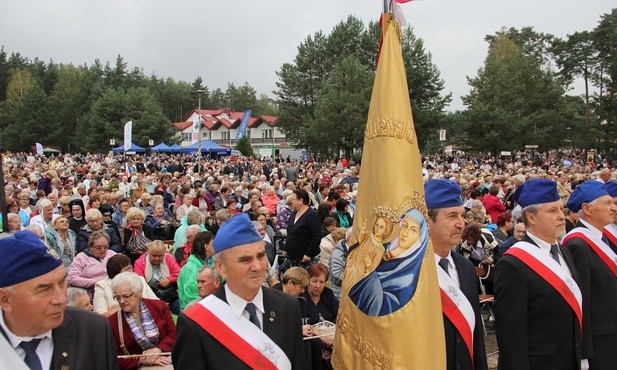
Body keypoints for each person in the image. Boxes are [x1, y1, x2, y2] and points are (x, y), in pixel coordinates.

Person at [172, 213, 306, 369]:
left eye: (261, 256)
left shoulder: (288, 306)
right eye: (245, 259)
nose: (257, 267)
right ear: (220, 267)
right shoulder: (195, 323)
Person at [494, 179, 584, 370]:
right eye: (553, 211)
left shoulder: (564, 252)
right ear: (531, 218)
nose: (561, 216)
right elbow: (511, 336)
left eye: (561, 209)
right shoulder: (513, 264)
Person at [0, 231, 120, 370]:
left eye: (62, 283)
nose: (61, 299)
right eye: (44, 289)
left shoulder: (93, 330)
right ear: (5, 299)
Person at [425, 179, 488, 370]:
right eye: (452, 216)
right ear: (428, 222)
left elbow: (475, 333)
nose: (462, 224)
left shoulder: (465, 267)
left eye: (462, 215)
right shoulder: (411, 272)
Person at [563, 180, 617, 369]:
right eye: (607, 203)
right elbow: (581, 300)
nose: (613, 208)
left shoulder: (601, 238)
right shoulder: (578, 244)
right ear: (587, 208)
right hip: (599, 342)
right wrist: (584, 352)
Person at [348, 207, 429, 316]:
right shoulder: (382, 246)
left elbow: (388, 309)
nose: (405, 233)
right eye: (404, 226)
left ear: (421, 238)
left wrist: (370, 274)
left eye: (413, 230)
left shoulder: (409, 275)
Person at [107, 272, 176, 370]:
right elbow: (114, 358)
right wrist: (142, 360)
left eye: (126, 296)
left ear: (139, 294)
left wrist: (158, 349)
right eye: (117, 297)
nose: (121, 301)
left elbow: (173, 334)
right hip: (137, 366)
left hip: (165, 358)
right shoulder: (112, 322)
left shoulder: (159, 306)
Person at [94, 254, 158, 317]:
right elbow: (101, 315)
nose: (131, 271)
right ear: (116, 272)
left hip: (145, 317)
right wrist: (129, 309)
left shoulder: (140, 279)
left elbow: (156, 302)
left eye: (130, 268)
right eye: (127, 269)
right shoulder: (101, 286)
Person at [302, 263, 339, 370]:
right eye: (314, 281)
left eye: (322, 282)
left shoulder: (328, 295)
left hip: (331, 337)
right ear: (308, 281)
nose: (318, 286)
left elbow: (340, 317)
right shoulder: (302, 298)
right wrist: (319, 335)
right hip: (312, 340)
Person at [133, 240, 181, 315]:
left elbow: (179, 273)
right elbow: (140, 285)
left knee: (181, 310)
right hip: (150, 297)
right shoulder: (139, 263)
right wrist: (157, 302)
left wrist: (169, 280)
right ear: (148, 253)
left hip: (170, 295)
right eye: (154, 255)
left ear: (164, 253)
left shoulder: (168, 258)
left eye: (160, 256)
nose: (156, 258)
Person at [177, 231, 215, 311]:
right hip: (193, 310)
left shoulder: (213, 262)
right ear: (206, 246)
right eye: (213, 243)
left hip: (212, 303)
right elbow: (191, 297)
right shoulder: (190, 268)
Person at [285, 188, 323, 266]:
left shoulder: (312, 215)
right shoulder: (293, 213)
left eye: (293, 199)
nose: (291, 201)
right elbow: (290, 233)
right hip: (293, 257)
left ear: (301, 200)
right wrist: (286, 249)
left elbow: (316, 236)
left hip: (305, 259)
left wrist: (309, 254)